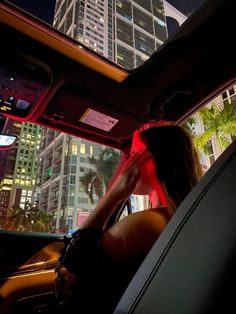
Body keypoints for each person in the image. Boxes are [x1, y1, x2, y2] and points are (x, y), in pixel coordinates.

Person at [54, 120, 203, 314]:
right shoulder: (174, 216)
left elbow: (74, 264)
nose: (127, 164)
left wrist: (116, 192)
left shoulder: (147, 224)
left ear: (152, 159)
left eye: (133, 154)